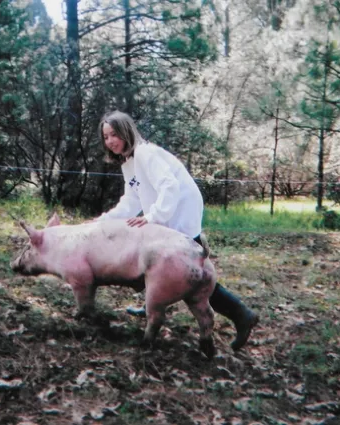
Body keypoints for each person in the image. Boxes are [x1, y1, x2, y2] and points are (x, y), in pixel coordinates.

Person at [94, 110, 259, 351]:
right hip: (166, 213)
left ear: (126, 132)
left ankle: (241, 314)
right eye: (106, 137)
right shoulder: (128, 162)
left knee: (190, 270)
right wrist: (105, 219)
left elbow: (169, 185)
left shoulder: (145, 153)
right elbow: (131, 200)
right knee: (167, 263)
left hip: (181, 209)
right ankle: (153, 302)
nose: (110, 141)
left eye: (114, 134)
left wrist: (153, 216)